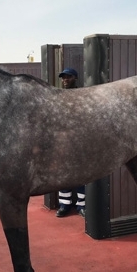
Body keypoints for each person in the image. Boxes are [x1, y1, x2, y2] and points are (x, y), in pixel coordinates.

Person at [55, 67, 86, 218]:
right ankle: (64, 205)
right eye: (63, 77)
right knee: (63, 174)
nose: (65, 80)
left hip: (79, 140)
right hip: (63, 141)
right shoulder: (58, 96)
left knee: (81, 173)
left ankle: (81, 205)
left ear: (75, 78)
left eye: (68, 77)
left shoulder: (82, 95)